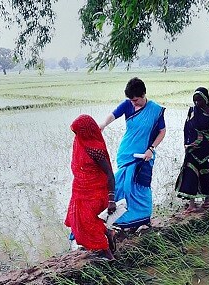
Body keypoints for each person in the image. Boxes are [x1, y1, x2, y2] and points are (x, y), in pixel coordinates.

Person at [99, 77, 166, 229]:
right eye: (131, 100)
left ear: (143, 94)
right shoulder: (128, 105)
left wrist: (151, 149)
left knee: (141, 187)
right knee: (121, 186)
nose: (133, 103)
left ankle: (142, 218)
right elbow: (113, 114)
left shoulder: (155, 110)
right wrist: (103, 124)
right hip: (126, 153)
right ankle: (121, 221)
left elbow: (162, 132)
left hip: (145, 156)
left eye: (136, 100)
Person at [65, 114, 116, 261]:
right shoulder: (79, 142)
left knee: (88, 222)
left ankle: (107, 254)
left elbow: (109, 174)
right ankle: (108, 233)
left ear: (86, 132)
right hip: (80, 189)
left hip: (95, 192)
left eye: (79, 133)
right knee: (79, 221)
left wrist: (111, 199)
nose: (76, 136)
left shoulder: (95, 149)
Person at [175, 87, 209, 212]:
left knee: (205, 174)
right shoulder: (192, 112)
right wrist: (186, 144)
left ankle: (207, 198)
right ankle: (192, 203)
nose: (197, 103)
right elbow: (186, 128)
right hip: (192, 149)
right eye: (195, 100)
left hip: (207, 149)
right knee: (190, 174)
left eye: (199, 100)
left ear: (205, 99)